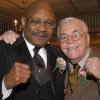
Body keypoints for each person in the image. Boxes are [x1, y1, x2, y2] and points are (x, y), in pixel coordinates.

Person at [0, 1, 66, 100]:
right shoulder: (4, 49)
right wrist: (5, 84)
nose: (43, 28)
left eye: (49, 23)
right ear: (23, 22)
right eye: (36, 21)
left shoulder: (58, 55)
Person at [57, 17, 100, 100]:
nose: (69, 41)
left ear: (87, 38)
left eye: (75, 35)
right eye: (64, 37)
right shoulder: (57, 65)